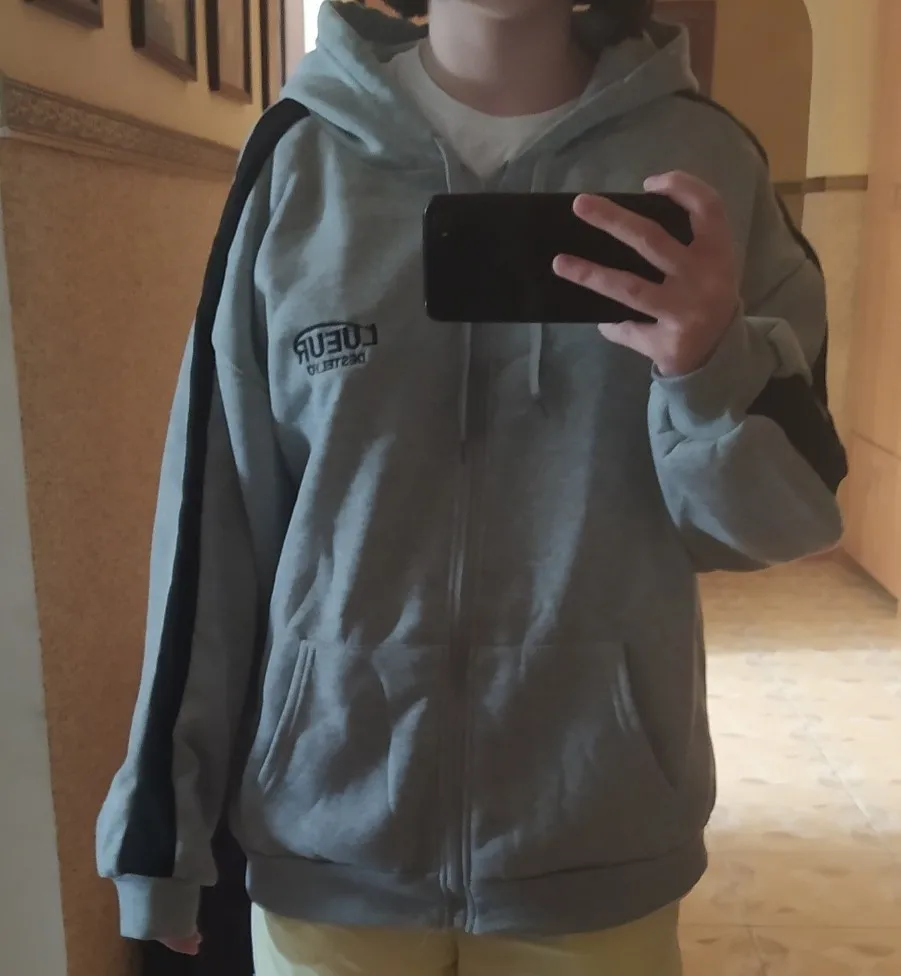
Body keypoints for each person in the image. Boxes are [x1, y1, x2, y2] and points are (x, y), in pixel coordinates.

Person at [97, 1, 847, 974]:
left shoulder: (704, 161)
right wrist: (162, 826)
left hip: (593, 845)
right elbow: (213, 516)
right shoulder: (300, 157)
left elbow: (777, 521)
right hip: (330, 835)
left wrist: (708, 370)